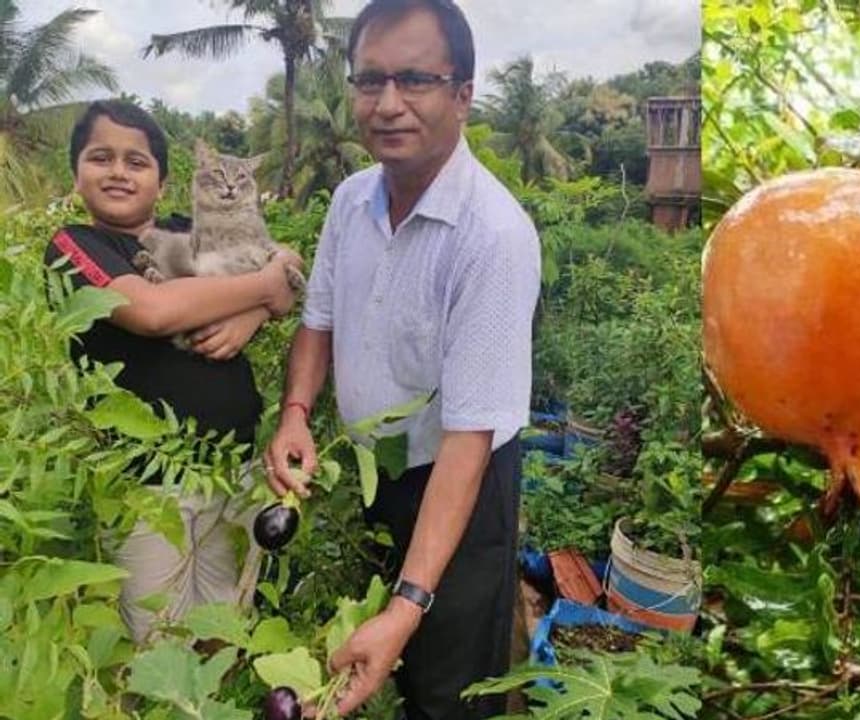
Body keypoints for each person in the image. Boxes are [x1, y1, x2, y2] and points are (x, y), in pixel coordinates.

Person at [263, 1, 540, 717]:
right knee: (373, 650)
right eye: (370, 80)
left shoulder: (494, 237)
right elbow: (317, 322)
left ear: (463, 95)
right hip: (373, 473)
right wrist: (296, 413)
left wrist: (413, 600)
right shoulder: (351, 201)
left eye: (415, 79)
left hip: (461, 483)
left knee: (449, 688)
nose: (387, 105)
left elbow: (469, 438)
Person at [44, 99, 302, 642]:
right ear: (76, 174)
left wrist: (252, 316)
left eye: (137, 161)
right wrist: (261, 291)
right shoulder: (76, 245)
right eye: (101, 157)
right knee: (158, 650)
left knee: (224, 631)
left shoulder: (195, 230)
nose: (118, 171)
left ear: (162, 184)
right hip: (146, 491)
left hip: (228, 475)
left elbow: (290, 259)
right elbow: (151, 311)